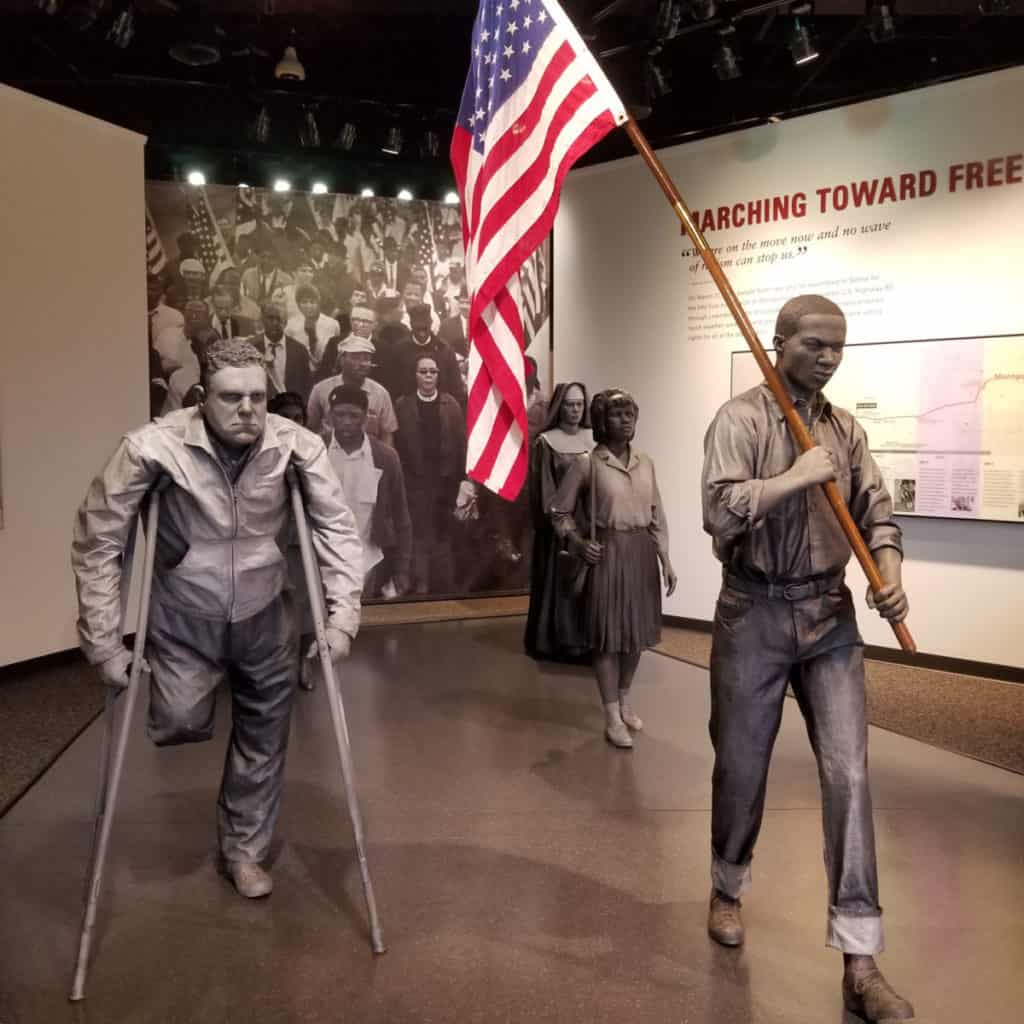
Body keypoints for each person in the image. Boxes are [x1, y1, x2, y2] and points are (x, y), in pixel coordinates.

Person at [71, 338, 363, 899]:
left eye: (258, 396)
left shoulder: (296, 446)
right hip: (186, 616)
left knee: (263, 737)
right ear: (203, 395)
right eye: (232, 398)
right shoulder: (152, 448)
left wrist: (342, 616)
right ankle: (194, 728)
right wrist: (104, 643)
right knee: (180, 719)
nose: (248, 410)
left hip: (266, 614)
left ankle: (244, 853)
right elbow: (99, 542)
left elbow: (336, 529)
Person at [700, 295, 913, 1023]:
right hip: (752, 610)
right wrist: (795, 474)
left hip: (828, 616)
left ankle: (860, 958)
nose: (828, 358)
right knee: (741, 765)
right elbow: (718, 510)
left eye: (838, 348)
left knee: (849, 775)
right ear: (779, 341)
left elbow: (878, 511)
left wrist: (888, 572)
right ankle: (727, 884)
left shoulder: (847, 430)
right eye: (815, 344)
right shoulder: (742, 420)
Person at [550, 389, 677, 749]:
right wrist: (577, 543)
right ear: (602, 421)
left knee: (635, 635)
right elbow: (559, 512)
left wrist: (665, 559)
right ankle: (610, 715)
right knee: (607, 637)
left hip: (640, 554)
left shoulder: (646, 462)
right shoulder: (587, 463)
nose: (626, 420)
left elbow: (657, 514)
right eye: (618, 414)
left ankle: (624, 701)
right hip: (606, 553)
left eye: (630, 413)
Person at [524, 383, 595, 660]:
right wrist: (562, 527)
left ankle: (586, 642)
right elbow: (544, 490)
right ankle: (556, 643)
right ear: (559, 407)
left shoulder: (594, 440)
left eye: (579, 404)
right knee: (560, 586)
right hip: (558, 530)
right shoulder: (546, 442)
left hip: (590, 526)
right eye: (569, 404)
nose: (575, 410)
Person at [324, 385, 412, 599]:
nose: (346, 421)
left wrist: (401, 570)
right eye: (340, 414)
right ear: (329, 416)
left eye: (353, 415)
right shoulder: (314, 450)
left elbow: (401, 517)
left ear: (365, 418)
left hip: (369, 564)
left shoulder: (385, 458)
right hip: (323, 564)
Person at [394, 355, 470, 595]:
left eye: (433, 372)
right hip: (415, 483)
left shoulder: (451, 405)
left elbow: (461, 445)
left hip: (445, 483)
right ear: (415, 375)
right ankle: (421, 585)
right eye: (423, 371)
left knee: (443, 534)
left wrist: (463, 481)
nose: (428, 376)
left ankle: (444, 586)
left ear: (439, 375)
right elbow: (397, 447)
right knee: (419, 534)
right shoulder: (403, 405)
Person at [306, 335, 397, 443]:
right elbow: (309, 429)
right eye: (356, 358)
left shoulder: (381, 393)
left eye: (367, 359)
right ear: (342, 360)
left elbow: (387, 434)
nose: (362, 364)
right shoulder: (321, 390)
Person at [248, 301, 314, 404]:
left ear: (286, 322)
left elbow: (306, 387)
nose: (275, 323)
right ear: (263, 320)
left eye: (279, 319)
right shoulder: (250, 348)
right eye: (270, 318)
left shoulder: (299, 350)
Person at [285, 283, 341, 378]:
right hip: (300, 373)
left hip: (325, 373)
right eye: (304, 302)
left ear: (318, 303)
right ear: (298, 304)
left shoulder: (332, 324)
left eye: (312, 302)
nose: (308, 306)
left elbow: (336, 353)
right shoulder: (291, 325)